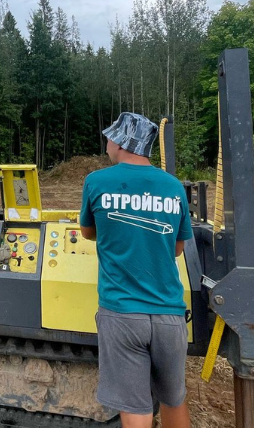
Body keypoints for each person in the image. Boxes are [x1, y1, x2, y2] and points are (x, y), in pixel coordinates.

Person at [80, 112, 192, 428]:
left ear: (120, 142)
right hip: (169, 313)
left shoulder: (97, 181)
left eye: (109, 139)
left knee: (135, 406)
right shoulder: (173, 187)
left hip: (122, 312)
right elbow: (177, 248)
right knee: (174, 398)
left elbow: (87, 232)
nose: (106, 145)